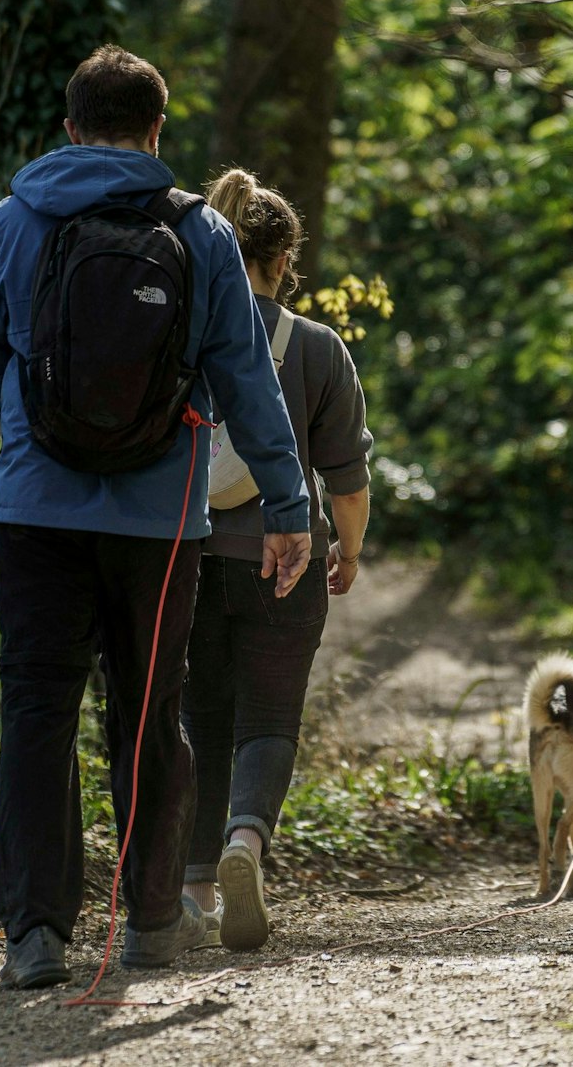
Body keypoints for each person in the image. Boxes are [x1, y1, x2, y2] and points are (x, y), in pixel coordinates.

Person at [0, 47, 314, 991]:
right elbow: (247, 377)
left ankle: (36, 934)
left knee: (37, 708)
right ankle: (152, 920)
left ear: (69, 128)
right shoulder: (201, 234)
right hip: (160, 521)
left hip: (35, 510)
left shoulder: (13, 220)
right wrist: (288, 504)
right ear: (157, 131)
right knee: (149, 709)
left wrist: (40, 419)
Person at [180, 168, 373, 951]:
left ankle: (193, 893)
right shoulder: (318, 348)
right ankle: (245, 842)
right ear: (284, 257)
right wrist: (348, 550)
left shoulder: (186, 335)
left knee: (199, 718)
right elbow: (347, 478)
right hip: (284, 559)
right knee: (268, 719)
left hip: (188, 556)